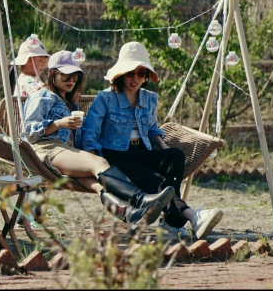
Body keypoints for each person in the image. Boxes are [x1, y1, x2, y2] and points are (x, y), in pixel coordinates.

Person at [80, 41, 224, 239]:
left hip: (143, 152)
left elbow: (151, 129)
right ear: (121, 74)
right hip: (117, 157)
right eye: (130, 73)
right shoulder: (105, 98)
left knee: (174, 155)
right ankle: (192, 217)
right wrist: (94, 162)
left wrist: (162, 146)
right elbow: (90, 133)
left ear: (146, 75)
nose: (135, 78)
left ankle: (172, 221)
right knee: (157, 182)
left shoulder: (149, 98)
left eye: (141, 73)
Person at [22, 50, 175, 231]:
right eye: (66, 76)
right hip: (46, 149)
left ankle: (127, 213)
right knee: (99, 162)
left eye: (76, 76)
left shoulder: (70, 101)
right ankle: (140, 198)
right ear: (51, 74)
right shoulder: (43, 96)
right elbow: (29, 131)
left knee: (98, 185)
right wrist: (60, 123)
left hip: (66, 152)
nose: (72, 80)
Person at [12, 34, 50, 98]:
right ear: (28, 60)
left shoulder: (21, 79)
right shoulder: (29, 80)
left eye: (44, 62)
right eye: (41, 60)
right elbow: (45, 94)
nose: (43, 65)